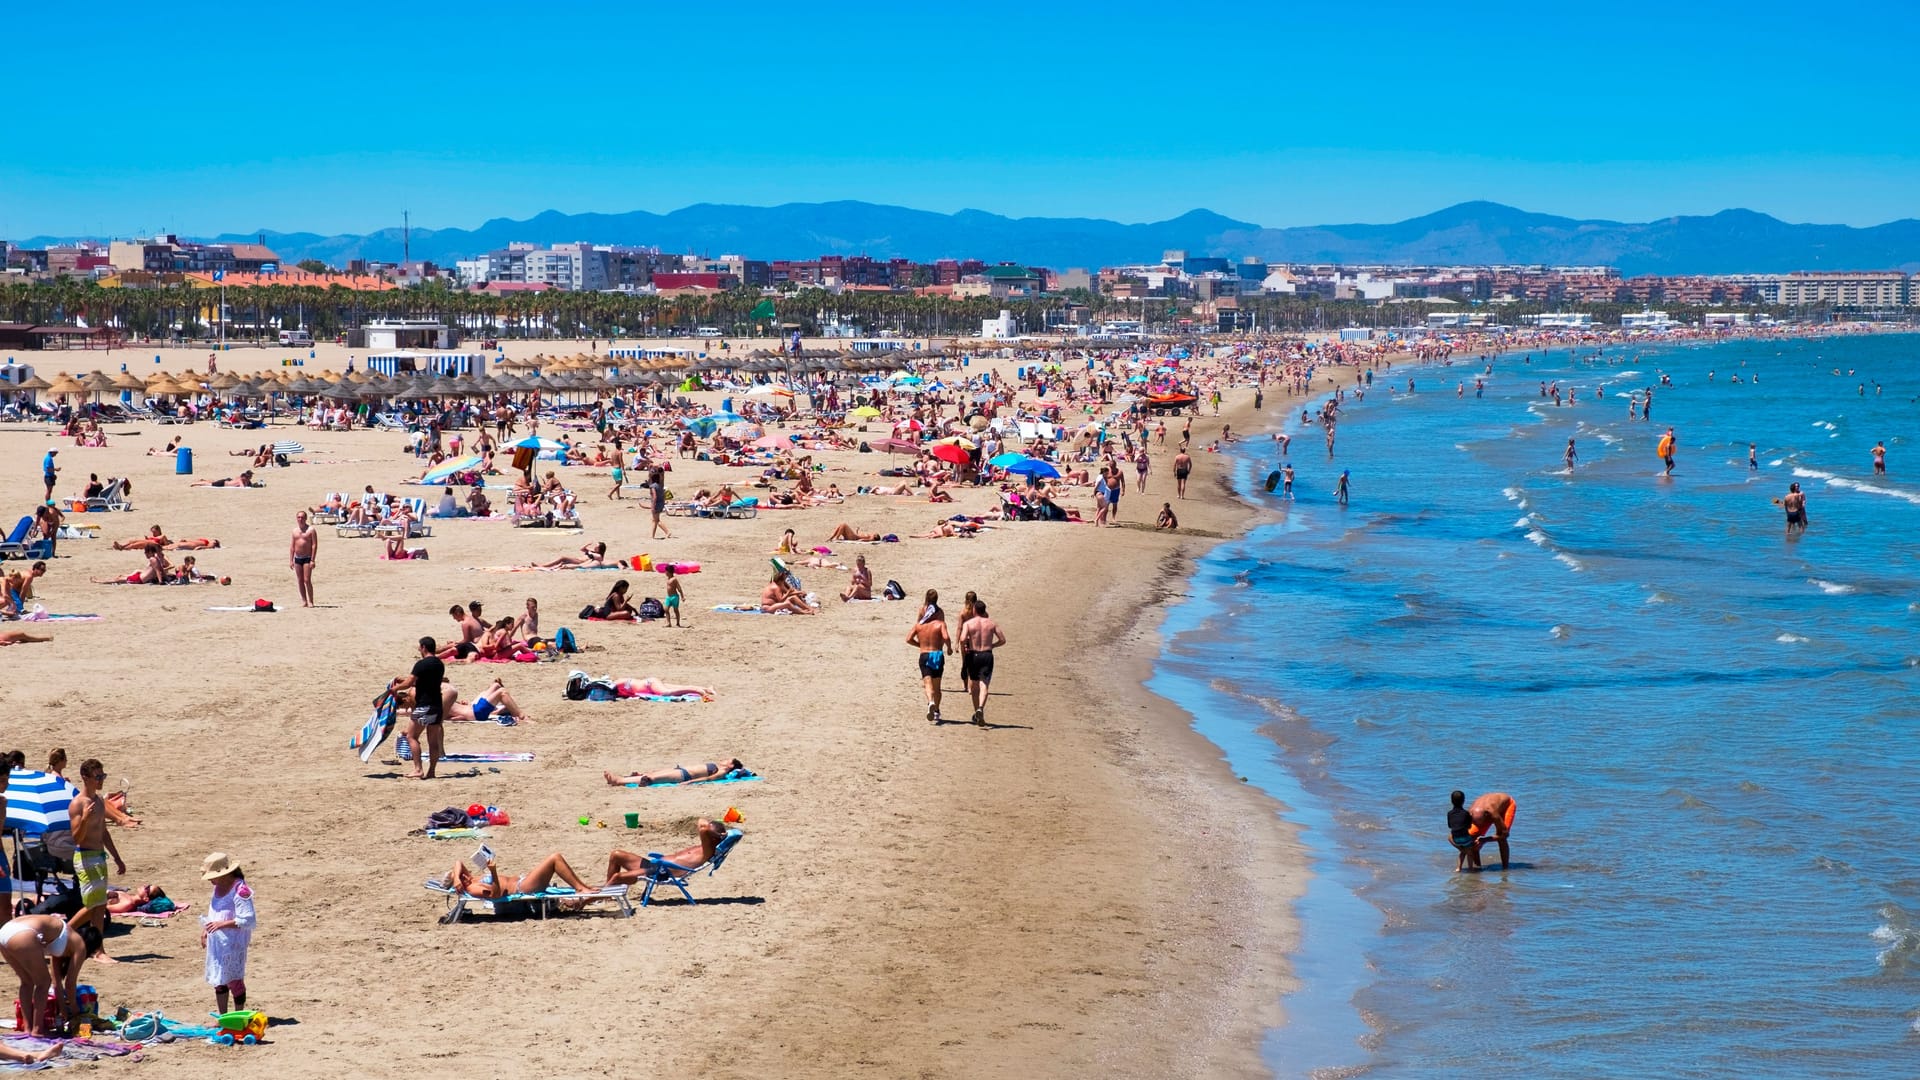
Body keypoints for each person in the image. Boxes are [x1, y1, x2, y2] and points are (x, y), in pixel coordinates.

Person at [0, 913, 98, 1042]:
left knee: (27, 982)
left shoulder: (62, 938)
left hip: (5, 932)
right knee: (43, 982)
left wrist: (63, 1010)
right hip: (23, 933)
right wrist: (75, 1011)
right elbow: (69, 983)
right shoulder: (79, 944)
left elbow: (57, 983)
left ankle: (28, 1028)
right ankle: (37, 1030)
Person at [68, 759, 126, 945]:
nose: (101, 781)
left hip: (99, 857)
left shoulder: (100, 801)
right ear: (85, 778)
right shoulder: (77, 804)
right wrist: (84, 819)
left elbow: (103, 832)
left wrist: (117, 858)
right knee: (93, 905)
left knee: (100, 906)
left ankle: (97, 948)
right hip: (85, 857)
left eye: (103, 776)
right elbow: (76, 838)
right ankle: (64, 931)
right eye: (97, 777)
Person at [200, 852, 255, 1014]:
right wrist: (206, 929)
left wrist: (221, 924)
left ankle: (238, 1016)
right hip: (218, 941)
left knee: (234, 980)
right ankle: (223, 1017)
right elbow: (214, 911)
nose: (210, 880)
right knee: (219, 980)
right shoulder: (218, 887)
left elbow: (248, 920)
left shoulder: (241, 890)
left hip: (233, 942)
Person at [603, 819, 730, 885]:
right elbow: (701, 822)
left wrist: (714, 833)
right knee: (616, 855)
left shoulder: (709, 850)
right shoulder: (703, 846)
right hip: (656, 865)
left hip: (662, 871)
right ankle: (608, 893)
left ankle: (595, 897)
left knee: (617, 877)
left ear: (714, 837)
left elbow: (703, 829)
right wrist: (713, 831)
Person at [387, 638, 446, 780]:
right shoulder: (439, 664)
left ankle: (418, 769)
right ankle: (431, 771)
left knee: (411, 736)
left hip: (424, 705)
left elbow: (409, 683)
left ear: (424, 647)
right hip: (436, 705)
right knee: (432, 741)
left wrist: (394, 688)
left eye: (420, 648)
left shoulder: (421, 664)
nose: (419, 650)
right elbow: (425, 681)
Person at [442, 851, 595, 900]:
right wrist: (493, 871)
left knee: (554, 860)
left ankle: (583, 887)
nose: (465, 876)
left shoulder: (470, 879)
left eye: (462, 875)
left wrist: (456, 877)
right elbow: (495, 894)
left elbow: (458, 862)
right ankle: (580, 889)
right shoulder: (472, 888)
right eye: (462, 878)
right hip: (522, 888)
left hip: (522, 881)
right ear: (460, 886)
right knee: (554, 858)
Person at [958, 598, 1005, 726]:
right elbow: (1002, 640)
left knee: (973, 686)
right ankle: (980, 708)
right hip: (987, 655)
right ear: (984, 611)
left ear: (974, 610)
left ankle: (976, 712)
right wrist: (992, 645)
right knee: (984, 683)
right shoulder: (991, 623)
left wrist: (967, 643)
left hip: (973, 655)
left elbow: (962, 639)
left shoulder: (969, 623)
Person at [907, 590, 951, 723]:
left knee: (927, 683)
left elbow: (909, 638)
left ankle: (930, 702)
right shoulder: (940, 617)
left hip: (924, 653)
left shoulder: (920, 620)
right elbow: (946, 636)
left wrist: (919, 645)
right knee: (937, 686)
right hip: (937, 654)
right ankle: (936, 710)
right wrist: (947, 647)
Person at [604, 759, 746, 786]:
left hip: (684, 775)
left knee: (651, 778)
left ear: (731, 765)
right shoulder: (718, 766)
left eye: (728, 759)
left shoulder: (722, 771)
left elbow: (709, 779)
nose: (724, 759)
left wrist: (690, 782)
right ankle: (625, 778)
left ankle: (618, 781)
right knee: (651, 773)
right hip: (681, 770)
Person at [1467, 791, 1516, 871]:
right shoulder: (1469, 813)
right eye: (1476, 823)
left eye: (1481, 823)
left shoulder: (1493, 813)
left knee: (1502, 839)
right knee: (1472, 837)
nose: (1480, 826)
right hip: (1484, 811)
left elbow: (1505, 834)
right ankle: (1477, 868)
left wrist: (1484, 840)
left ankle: (1505, 869)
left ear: (1487, 815)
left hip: (1507, 805)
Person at [1446, 789, 1481, 872]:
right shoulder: (1466, 813)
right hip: (1465, 838)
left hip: (1455, 839)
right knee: (1469, 850)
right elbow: (1469, 826)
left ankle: (1459, 868)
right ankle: (1470, 868)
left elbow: (1450, 826)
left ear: (1451, 801)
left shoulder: (1449, 813)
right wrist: (1471, 817)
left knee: (1462, 851)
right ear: (1463, 801)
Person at [289, 509, 317, 607]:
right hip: (298, 558)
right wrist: (291, 560)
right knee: (300, 580)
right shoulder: (294, 531)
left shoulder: (311, 530)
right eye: (298, 517)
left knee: (307, 579)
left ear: (305, 518)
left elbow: (314, 545)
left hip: (307, 557)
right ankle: (304, 601)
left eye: (302, 517)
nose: (300, 519)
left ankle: (311, 601)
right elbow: (292, 546)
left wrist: (313, 560)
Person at [530, 541, 607, 570]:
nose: (595, 546)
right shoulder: (593, 551)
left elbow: (597, 558)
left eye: (597, 546)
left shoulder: (599, 556)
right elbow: (582, 549)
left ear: (600, 549)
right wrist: (587, 544)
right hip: (577, 559)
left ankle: (541, 565)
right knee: (561, 562)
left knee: (562, 558)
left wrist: (590, 551)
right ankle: (541, 566)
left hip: (580, 562)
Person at [648, 467, 671, 539]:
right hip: (661, 503)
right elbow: (662, 477)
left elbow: (654, 496)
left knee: (656, 521)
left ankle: (667, 532)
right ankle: (652, 536)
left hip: (656, 504)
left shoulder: (652, 486)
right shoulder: (661, 485)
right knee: (654, 520)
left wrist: (653, 506)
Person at [191, 470, 260, 488]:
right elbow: (242, 487)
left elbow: (250, 485)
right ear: (246, 476)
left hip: (226, 482)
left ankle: (203, 480)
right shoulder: (240, 479)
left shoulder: (247, 480)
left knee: (212, 482)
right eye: (250, 475)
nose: (251, 477)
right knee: (209, 484)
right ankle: (195, 483)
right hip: (223, 483)